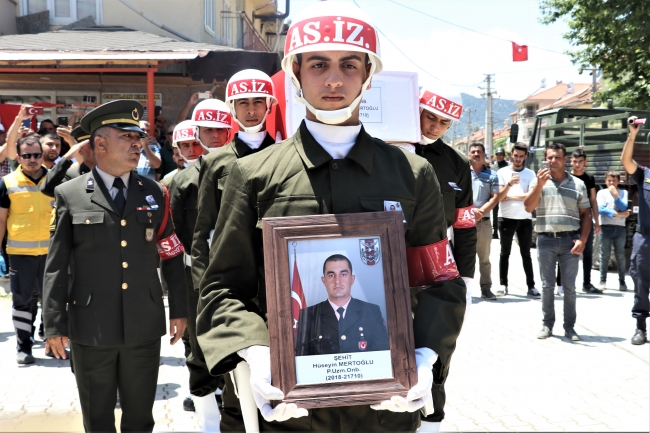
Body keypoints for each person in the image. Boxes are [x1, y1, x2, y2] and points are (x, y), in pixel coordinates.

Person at [196, 3, 466, 432]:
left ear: (368, 75)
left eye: (349, 64)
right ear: (297, 73)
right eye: (319, 64)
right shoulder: (254, 174)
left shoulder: (412, 174)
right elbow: (223, 288)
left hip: (384, 406)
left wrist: (426, 355)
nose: (335, 79)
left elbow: (438, 279)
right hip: (288, 411)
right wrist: (257, 353)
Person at [42, 100, 188, 432]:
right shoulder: (71, 194)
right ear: (100, 144)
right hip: (91, 327)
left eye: (139, 138)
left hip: (143, 324)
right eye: (127, 137)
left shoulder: (154, 192)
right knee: (98, 418)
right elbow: (56, 265)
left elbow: (171, 251)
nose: (138, 144)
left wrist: (180, 308)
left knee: (140, 419)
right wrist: (54, 325)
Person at [190, 71, 276, 292]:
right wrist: (203, 291)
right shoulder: (215, 163)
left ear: (269, 105)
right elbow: (202, 231)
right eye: (243, 102)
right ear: (231, 107)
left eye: (258, 101)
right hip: (231, 278)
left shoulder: (285, 156)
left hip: (277, 271)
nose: (250, 110)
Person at [163, 120, 221, 428]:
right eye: (185, 146)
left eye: (194, 144)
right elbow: (169, 237)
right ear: (177, 151)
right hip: (189, 274)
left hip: (223, 271)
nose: (192, 150)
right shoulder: (173, 183)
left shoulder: (225, 170)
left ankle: (222, 389)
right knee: (194, 341)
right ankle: (204, 399)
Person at [524, 142, 591, 341]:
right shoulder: (539, 182)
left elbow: (586, 214)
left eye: (557, 157)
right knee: (547, 286)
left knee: (569, 287)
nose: (553, 161)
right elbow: (528, 207)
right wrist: (539, 185)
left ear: (565, 160)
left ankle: (570, 327)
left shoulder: (578, 184)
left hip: (571, 240)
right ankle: (547, 325)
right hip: (546, 240)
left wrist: (583, 240)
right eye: (550, 157)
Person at [0, 135, 51, 364]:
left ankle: (53, 344)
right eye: (27, 155)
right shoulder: (7, 183)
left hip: (52, 254)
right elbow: (1, 221)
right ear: (18, 157)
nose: (32, 159)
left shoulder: (55, 181)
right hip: (20, 255)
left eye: (36, 155)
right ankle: (24, 347)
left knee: (52, 301)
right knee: (23, 303)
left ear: (43, 156)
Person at [295, 254, 389, 356]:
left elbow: (382, 354)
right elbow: (302, 358)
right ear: (324, 280)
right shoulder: (309, 315)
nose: (337, 281)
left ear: (352, 279)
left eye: (343, 274)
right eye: (331, 275)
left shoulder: (371, 312)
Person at [495, 142, 539, 297]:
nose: (518, 159)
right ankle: (503, 285)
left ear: (525, 156)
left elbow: (531, 196)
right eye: (516, 156)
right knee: (504, 253)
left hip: (525, 219)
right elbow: (499, 197)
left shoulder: (531, 174)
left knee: (526, 253)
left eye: (521, 156)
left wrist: (510, 196)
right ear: (511, 155)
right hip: (506, 218)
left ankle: (531, 286)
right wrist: (509, 185)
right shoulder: (502, 172)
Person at [620, 116, 650, 345]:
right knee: (640, 281)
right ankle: (641, 327)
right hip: (644, 237)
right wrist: (632, 135)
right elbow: (626, 159)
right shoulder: (644, 174)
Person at [556, 149, 602, 295]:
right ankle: (560, 285)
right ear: (570, 161)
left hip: (586, 220)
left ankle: (587, 284)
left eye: (580, 161)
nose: (577, 164)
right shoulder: (566, 177)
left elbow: (593, 200)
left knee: (587, 252)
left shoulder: (589, 178)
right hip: (570, 219)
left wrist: (597, 220)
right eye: (574, 161)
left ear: (585, 162)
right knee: (565, 252)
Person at [468, 143, 500, 300]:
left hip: (484, 223)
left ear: (484, 154)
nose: (476, 154)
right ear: (469, 155)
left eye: (479, 152)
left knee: (484, 259)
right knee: (463, 258)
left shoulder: (492, 175)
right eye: (473, 151)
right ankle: (463, 291)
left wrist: (480, 212)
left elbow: (495, 197)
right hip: (464, 222)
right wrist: (471, 211)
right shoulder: (462, 174)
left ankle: (486, 288)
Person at [596, 170, 630, 291]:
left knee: (620, 255)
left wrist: (616, 195)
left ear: (618, 181)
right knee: (604, 255)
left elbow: (624, 207)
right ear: (605, 181)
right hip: (606, 227)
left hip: (620, 228)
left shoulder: (623, 192)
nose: (611, 183)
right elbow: (600, 209)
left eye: (614, 180)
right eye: (609, 180)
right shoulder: (601, 193)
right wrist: (618, 214)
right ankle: (602, 280)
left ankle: (622, 281)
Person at [40, 127, 95, 197]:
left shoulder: (110, 172)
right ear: (79, 150)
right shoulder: (72, 175)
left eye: (101, 144)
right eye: (91, 146)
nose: (97, 149)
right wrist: (68, 157)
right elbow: (48, 189)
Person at [491, 147, 509, 239]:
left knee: (504, 211)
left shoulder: (507, 166)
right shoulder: (494, 166)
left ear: (504, 155)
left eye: (501, 154)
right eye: (498, 155)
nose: (499, 156)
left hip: (504, 190)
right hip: (495, 190)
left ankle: (505, 230)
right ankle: (495, 231)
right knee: (495, 212)